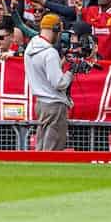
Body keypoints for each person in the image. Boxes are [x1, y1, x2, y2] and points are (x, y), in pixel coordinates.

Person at [24, 13, 73, 151]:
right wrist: (71, 72)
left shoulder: (30, 47)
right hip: (54, 105)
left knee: (42, 147)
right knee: (53, 149)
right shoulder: (50, 53)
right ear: (56, 29)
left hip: (41, 103)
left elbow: (45, 74)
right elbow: (59, 83)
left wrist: (63, 62)